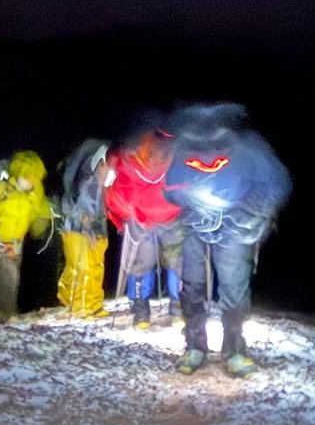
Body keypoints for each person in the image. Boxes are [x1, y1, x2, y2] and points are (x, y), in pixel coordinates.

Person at [160, 102, 291, 376]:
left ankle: (234, 351)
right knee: (191, 287)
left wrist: (255, 212)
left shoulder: (249, 148)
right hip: (195, 226)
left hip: (235, 227)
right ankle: (195, 347)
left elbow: (277, 183)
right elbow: (169, 187)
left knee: (233, 291)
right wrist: (189, 196)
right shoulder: (184, 149)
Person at [103, 120, 184, 328]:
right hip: (165, 217)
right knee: (173, 263)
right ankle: (173, 311)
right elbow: (189, 184)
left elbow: (112, 189)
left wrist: (121, 215)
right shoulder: (179, 151)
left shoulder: (128, 152)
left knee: (145, 264)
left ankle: (144, 313)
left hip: (146, 218)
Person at [0, 150, 53, 323]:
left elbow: (38, 211)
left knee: (10, 282)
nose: (31, 181)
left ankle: (5, 315)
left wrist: (43, 227)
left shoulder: (34, 191)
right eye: (28, 176)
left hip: (15, 243)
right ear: (19, 172)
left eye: (35, 177)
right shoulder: (1, 187)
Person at [53, 139, 112, 318]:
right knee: (80, 268)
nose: (109, 169)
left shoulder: (100, 185)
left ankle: (94, 304)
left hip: (97, 231)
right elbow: (79, 209)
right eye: (105, 164)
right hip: (76, 230)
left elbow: (100, 210)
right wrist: (89, 229)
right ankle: (78, 305)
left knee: (95, 267)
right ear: (98, 164)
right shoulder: (84, 183)